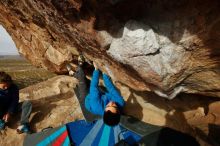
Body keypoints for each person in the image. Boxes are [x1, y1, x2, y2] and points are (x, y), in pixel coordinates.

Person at [67, 56, 125, 126]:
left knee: (82, 80)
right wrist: (104, 73)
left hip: (87, 100)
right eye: (115, 106)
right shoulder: (120, 102)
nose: (112, 103)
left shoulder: (96, 106)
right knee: (88, 81)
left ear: (105, 110)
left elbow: (94, 87)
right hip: (101, 96)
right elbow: (111, 88)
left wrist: (96, 70)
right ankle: (74, 73)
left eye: (109, 106)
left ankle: (79, 66)